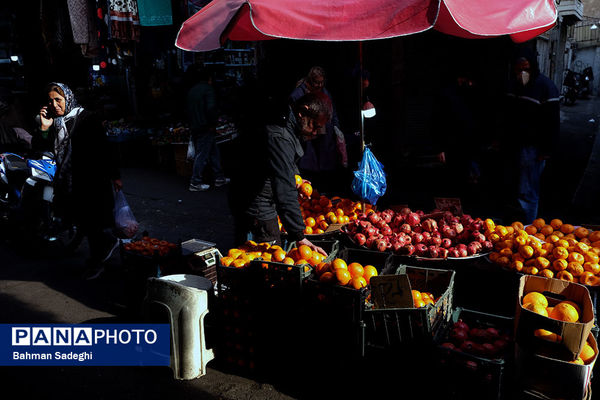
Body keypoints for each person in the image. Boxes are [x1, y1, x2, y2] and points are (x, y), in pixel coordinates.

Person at [35, 82, 122, 278]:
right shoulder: (55, 122)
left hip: (91, 180)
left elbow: (104, 149)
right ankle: (98, 247)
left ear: (68, 98)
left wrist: (115, 175)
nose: (54, 104)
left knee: (92, 222)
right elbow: (39, 146)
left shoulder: (86, 119)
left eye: (58, 100)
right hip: (69, 181)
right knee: (83, 219)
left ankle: (97, 261)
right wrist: (44, 127)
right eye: (50, 101)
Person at [227, 92, 330, 255]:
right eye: (314, 126)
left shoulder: (288, 124)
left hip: (249, 192)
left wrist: (296, 176)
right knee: (269, 252)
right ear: (303, 112)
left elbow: (283, 162)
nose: (315, 132)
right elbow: (284, 186)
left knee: (244, 251)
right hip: (256, 198)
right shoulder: (280, 134)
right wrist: (298, 235)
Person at [502, 49, 560, 224]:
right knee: (514, 186)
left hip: (533, 149)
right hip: (514, 145)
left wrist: (546, 150)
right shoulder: (513, 85)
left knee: (528, 189)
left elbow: (552, 123)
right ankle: (515, 222)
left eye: (525, 69)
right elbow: (505, 115)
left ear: (533, 67)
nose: (522, 73)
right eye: (518, 69)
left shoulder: (546, 87)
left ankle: (528, 226)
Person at [289, 66, 347, 195]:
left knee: (324, 170)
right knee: (309, 168)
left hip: (324, 141)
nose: (319, 85)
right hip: (306, 142)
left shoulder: (325, 93)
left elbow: (332, 113)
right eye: (316, 82)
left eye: (322, 82)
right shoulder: (298, 94)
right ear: (309, 81)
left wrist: (336, 128)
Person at [186, 66, 229, 192]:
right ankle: (195, 181)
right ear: (209, 79)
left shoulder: (192, 90)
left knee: (213, 151)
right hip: (205, 126)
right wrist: (213, 123)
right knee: (202, 154)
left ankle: (219, 177)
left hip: (195, 126)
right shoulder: (208, 90)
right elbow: (210, 109)